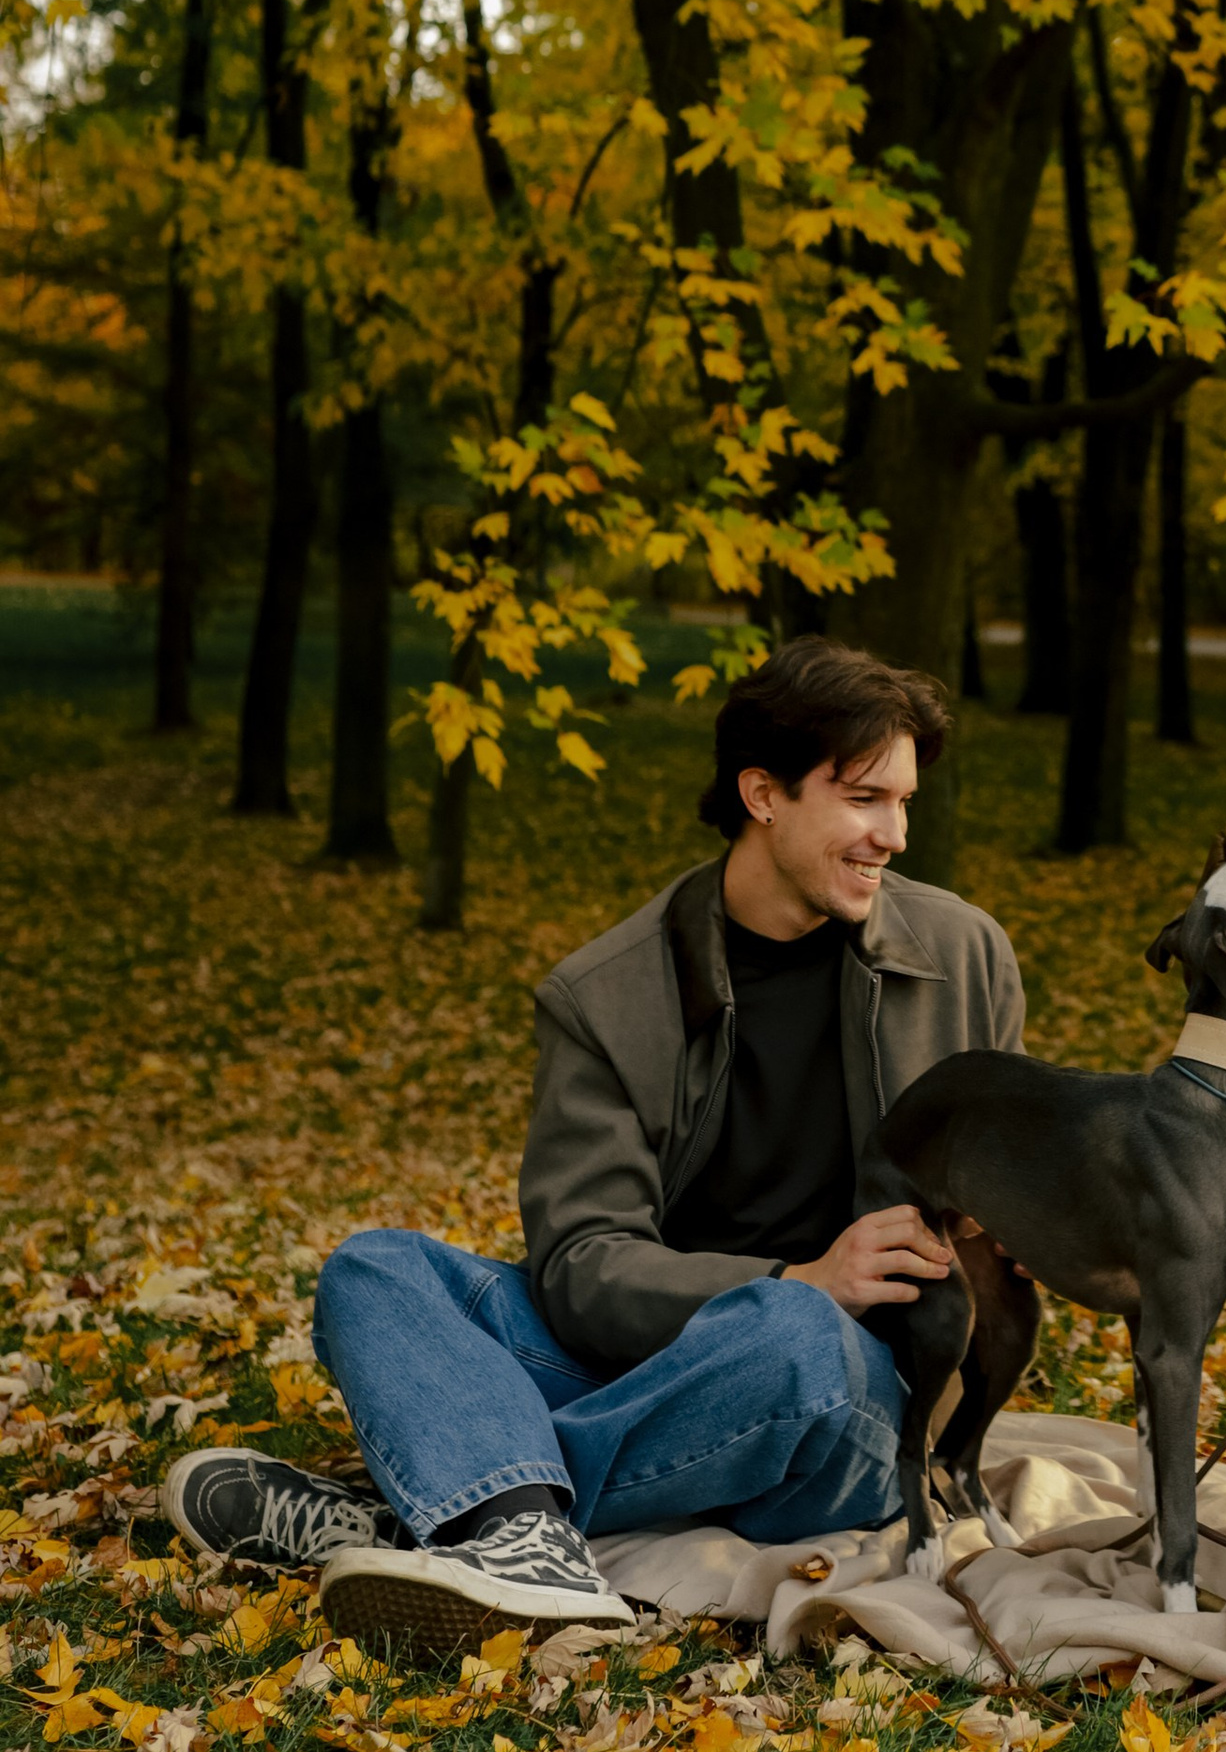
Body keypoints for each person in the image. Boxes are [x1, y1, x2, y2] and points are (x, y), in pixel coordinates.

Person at [156, 639, 1023, 1659]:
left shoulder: (962, 955)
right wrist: (801, 1275)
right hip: (645, 1357)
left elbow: (1017, 1177)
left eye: (904, 802)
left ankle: (468, 1509)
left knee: (794, 1334)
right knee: (377, 1270)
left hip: (849, 1396)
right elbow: (580, 1268)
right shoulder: (606, 995)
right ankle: (512, 1529)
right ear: (762, 795)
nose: (894, 834)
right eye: (864, 799)